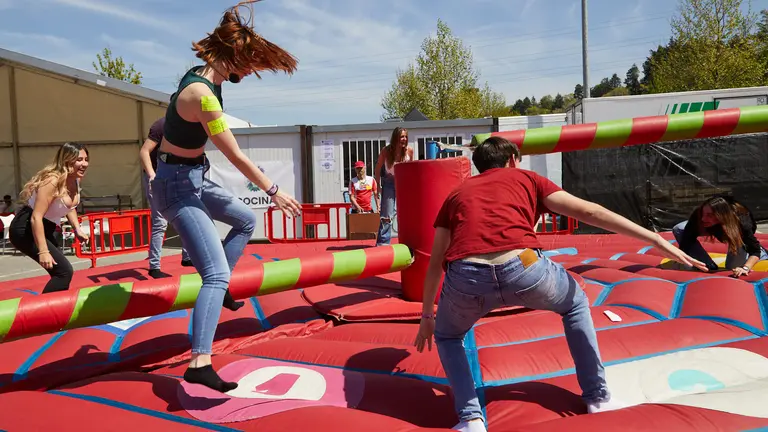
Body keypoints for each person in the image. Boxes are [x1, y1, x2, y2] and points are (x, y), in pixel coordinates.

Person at [413, 137, 707, 432]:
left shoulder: (457, 194)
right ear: (514, 159)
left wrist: (427, 317)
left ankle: (471, 419)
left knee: (449, 337)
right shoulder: (527, 178)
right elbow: (591, 212)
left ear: (479, 167)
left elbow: (436, 259)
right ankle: (598, 397)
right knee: (576, 303)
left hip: (467, 276)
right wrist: (656, 238)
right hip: (524, 267)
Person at [150, 0, 301, 393]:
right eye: (248, 65)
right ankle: (200, 361)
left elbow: (173, 124)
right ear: (232, 55)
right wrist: (274, 190)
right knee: (214, 274)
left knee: (246, 221)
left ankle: (222, 286)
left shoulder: (205, 77)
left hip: (193, 175)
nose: (249, 73)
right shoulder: (203, 95)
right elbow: (234, 154)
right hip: (175, 186)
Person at [9, 142, 91, 294]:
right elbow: (36, 217)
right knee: (64, 272)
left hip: (48, 227)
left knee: (60, 272)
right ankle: (43, 314)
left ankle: (55, 312)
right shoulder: (52, 181)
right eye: (79, 159)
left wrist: (77, 229)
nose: (84, 164)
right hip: (26, 227)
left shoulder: (75, 179)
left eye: (86, 159)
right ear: (67, 160)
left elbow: (70, 206)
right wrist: (43, 251)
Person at [139, 115, 192, 278]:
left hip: (177, 175)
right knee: (160, 222)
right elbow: (144, 151)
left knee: (186, 216)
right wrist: (152, 176)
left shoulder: (189, 127)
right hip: (157, 176)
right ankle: (154, 266)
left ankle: (188, 256)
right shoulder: (161, 125)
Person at [672, 195, 768, 277]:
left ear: (721, 216)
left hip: (736, 235)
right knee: (679, 228)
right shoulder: (699, 215)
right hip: (716, 228)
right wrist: (684, 259)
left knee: (732, 268)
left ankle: (763, 253)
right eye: (703, 214)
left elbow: (755, 251)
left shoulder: (741, 224)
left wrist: (745, 268)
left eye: (709, 215)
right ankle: (707, 265)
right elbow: (686, 238)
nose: (703, 218)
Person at [373, 127, 412, 246]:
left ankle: (407, 241)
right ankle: (383, 244)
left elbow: (411, 169)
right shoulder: (386, 151)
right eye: (401, 136)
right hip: (389, 182)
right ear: (395, 138)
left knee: (406, 213)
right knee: (387, 214)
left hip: (403, 183)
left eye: (405, 136)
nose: (404, 139)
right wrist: (378, 185)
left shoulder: (409, 151)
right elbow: (378, 168)